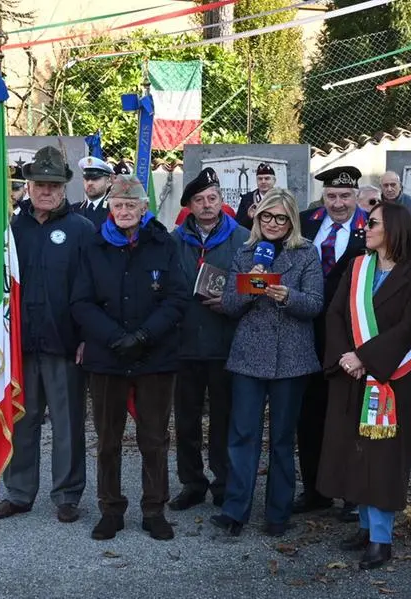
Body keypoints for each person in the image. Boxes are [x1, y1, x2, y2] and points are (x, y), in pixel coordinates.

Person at [71, 175, 186, 541]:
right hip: (108, 356)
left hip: (155, 355)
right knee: (108, 439)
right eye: (118, 205)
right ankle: (111, 508)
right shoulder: (92, 246)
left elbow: (177, 298)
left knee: (154, 438)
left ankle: (154, 509)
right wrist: (114, 337)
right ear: (110, 208)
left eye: (131, 205)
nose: (124, 211)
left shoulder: (163, 243)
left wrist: (144, 335)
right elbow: (81, 302)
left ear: (144, 208)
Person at [317, 201, 411, 570]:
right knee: (355, 449)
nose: (365, 228)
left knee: (382, 456)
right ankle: (365, 527)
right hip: (351, 374)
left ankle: (382, 539)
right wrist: (344, 358)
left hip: (391, 377)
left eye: (374, 223)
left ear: (394, 229)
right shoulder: (358, 266)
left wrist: (365, 358)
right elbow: (334, 313)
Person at [210, 188, 324, 537]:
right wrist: (251, 285)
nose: (273, 224)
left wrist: (288, 296)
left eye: (280, 218)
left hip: (291, 359)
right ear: (257, 219)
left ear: (291, 221)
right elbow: (229, 304)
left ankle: (278, 512)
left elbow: (315, 304)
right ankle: (235, 510)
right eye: (266, 217)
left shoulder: (306, 254)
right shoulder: (246, 253)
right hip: (248, 358)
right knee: (242, 435)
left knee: (281, 439)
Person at [0, 146, 94, 523]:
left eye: (53, 185)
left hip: (65, 344)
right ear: (29, 186)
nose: (46, 191)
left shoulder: (81, 230)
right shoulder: (11, 230)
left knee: (68, 423)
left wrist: (86, 337)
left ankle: (67, 495)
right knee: (22, 419)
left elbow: (90, 288)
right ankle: (19, 492)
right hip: (20, 343)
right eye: (39, 184)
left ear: (65, 188)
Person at [169, 167, 250, 512]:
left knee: (223, 417)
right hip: (184, 344)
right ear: (189, 206)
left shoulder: (245, 238)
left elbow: (259, 284)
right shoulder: (173, 240)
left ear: (221, 201)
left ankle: (223, 481)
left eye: (212, 198)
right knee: (186, 419)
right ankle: (192, 482)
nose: (206, 205)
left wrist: (232, 300)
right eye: (199, 200)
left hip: (225, 342)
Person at [295, 166, 368, 521]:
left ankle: (352, 493)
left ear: (356, 195)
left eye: (345, 196)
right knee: (308, 415)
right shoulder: (304, 222)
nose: (338, 203)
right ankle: (315, 490)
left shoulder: (371, 226)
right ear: (322, 197)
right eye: (331, 196)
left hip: (350, 335)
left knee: (348, 414)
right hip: (306, 332)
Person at [73, 156, 113, 229]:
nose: (89, 183)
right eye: (86, 179)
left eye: (95, 178)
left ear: (108, 182)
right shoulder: (73, 209)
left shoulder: (113, 211)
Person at [235, 162, 276, 230]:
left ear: (274, 180)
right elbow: (238, 226)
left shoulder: (282, 198)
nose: (263, 181)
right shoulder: (247, 199)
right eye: (260, 179)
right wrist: (249, 217)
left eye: (267, 178)